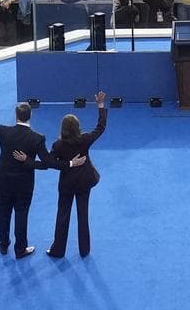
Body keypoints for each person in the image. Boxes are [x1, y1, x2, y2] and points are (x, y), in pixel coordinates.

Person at [0, 95, 84, 258]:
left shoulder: (4, 131)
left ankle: (4, 245)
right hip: (23, 185)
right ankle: (20, 249)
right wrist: (69, 164)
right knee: (21, 215)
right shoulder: (37, 138)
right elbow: (48, 163)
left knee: (3, 213)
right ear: (31, 115)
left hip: (2, 181)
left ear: (16, 115)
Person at [46, 91, 108, 258]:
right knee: (83, 214)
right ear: (77, 127)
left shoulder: (57, 145)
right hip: (84, 182)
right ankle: (84, 249)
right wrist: (100, 105)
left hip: (67, 184)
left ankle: (58, 250)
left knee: (62, 215)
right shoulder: (85, 139)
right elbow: (101, 127)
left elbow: (51, 163)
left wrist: (68, 164)